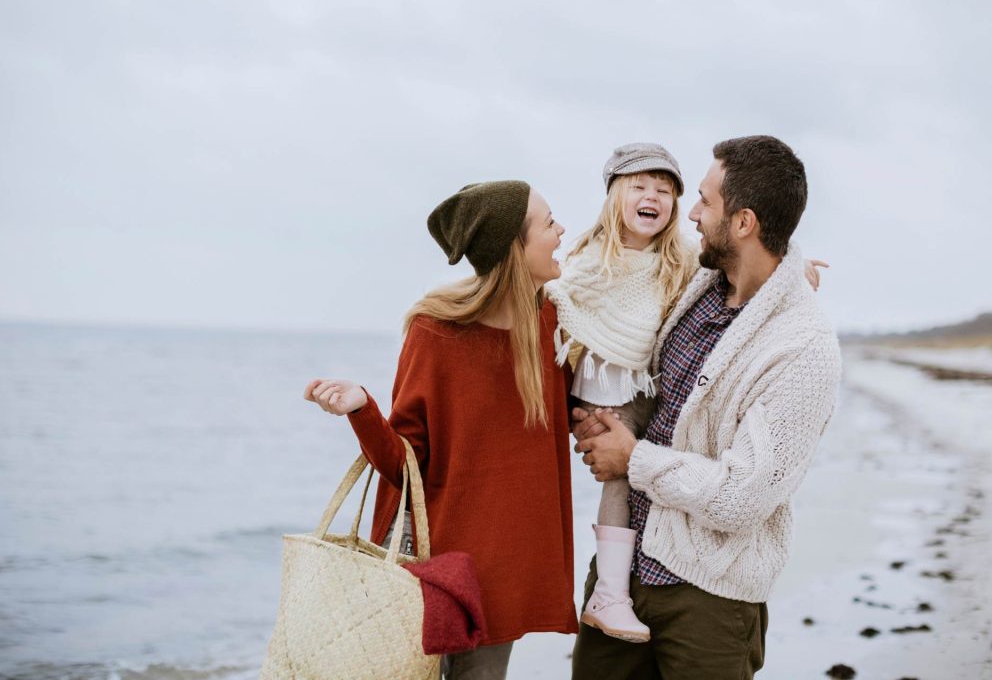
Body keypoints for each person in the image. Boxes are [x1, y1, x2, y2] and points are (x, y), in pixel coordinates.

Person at [571, 135, 842, 679]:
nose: (689, 213)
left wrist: (633, 459)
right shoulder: (699, 283)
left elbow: (746, 496)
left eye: (704, 201)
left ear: (743, 222)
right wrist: (596, 417)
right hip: (623, 576)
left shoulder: (803, 348)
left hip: (708, 600)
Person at [304, 180, 577, 680]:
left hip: (502, 574)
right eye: (548, 222)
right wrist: (362, 409)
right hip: (430, 569)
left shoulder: (555, 324)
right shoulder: (435, 332)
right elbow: (401, 462)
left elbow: (587, 404)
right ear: (514, 248)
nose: (561, 231)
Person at [545, 143, 697, 644]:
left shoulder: (679, 260)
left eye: (664, 190)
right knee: (623, 474)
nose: (652, 197)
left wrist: (790, 269)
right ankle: (609, 594)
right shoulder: (591, 258)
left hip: (646, 384)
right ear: (615, 195)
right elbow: (560, 307)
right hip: (603, 390)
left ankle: (658, 566)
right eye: (639, 186)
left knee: (660, 463)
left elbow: (732, 273)